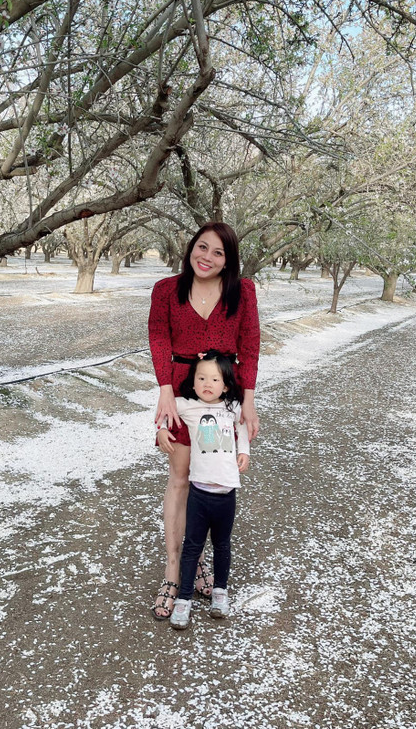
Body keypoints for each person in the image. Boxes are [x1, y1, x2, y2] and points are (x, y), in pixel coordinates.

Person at [148, 222, 260, 620]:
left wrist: (247, 400)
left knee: (212, 477)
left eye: (218, 252)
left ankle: (200, 562)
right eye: (202, 247)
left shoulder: (242, 291)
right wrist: (165, 390)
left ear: (228, 260)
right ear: (191, 248)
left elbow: (249, 344)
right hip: (180, 394)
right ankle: (174, 570)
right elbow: (159, 338)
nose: (207, 258)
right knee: (180, 479)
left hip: (223, 398)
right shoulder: (166, 290)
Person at [156, 350, 251, 629]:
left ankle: (220, 591)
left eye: (214, 379)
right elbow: (167, 407)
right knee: (192, 546)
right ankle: (184, 597)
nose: (207, 384)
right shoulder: (188, 405)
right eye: (201, 378)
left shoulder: (232, 407)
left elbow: (243, 427)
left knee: (222, 544)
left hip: (227, 493)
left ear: (226, 385)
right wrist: (161, 429)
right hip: (198, 493)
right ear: (193, 381)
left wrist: (244, 450)